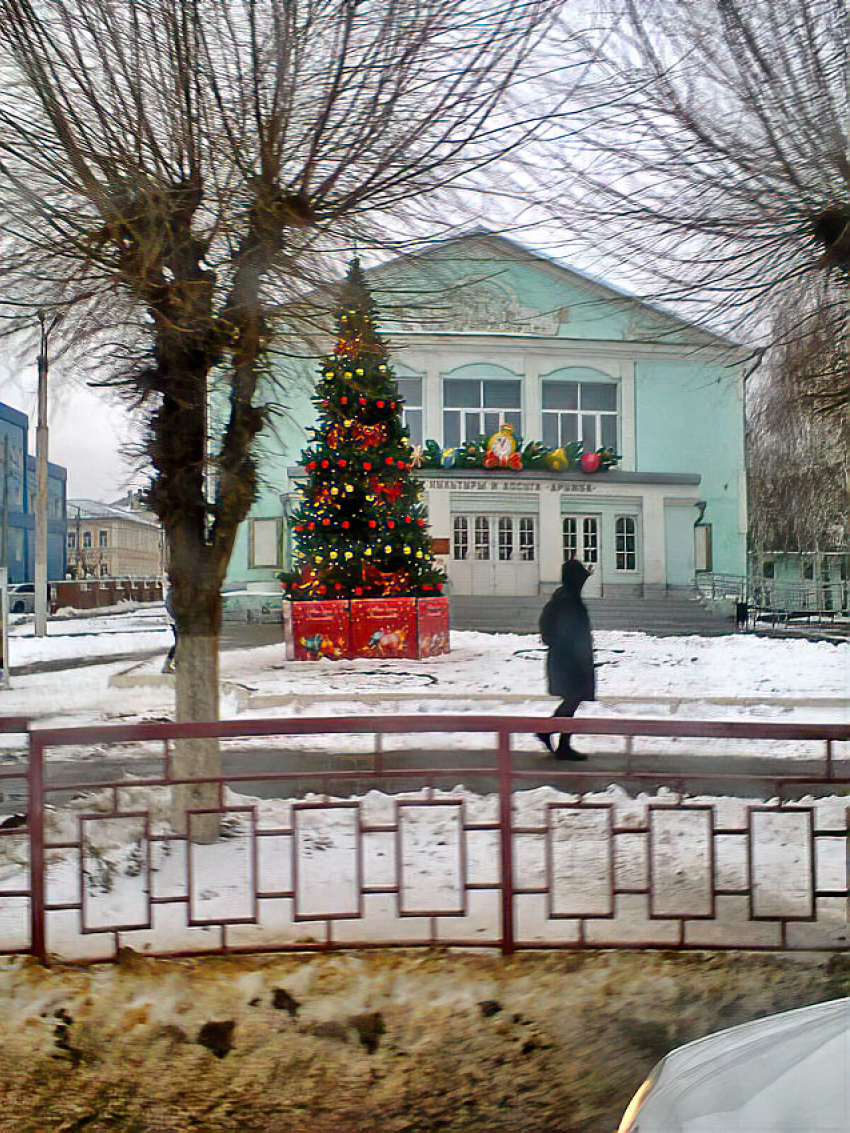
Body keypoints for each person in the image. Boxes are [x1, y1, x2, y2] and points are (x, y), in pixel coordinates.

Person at [536, 559, 596, 760]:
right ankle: (551, 735)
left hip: (566, 660)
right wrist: (580, 657)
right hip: (570, 662)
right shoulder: (568, 601)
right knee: (572, 699)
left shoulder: (563, 598)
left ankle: (556, 738)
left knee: (572, 700)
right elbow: (570, 633)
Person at [162, 579, 178, 673]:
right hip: (175, 621)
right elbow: (170, 607)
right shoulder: (173, 592)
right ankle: (168, 665)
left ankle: (177, 663)